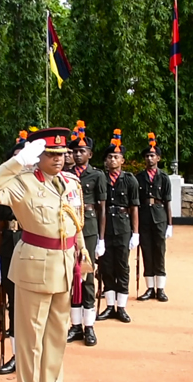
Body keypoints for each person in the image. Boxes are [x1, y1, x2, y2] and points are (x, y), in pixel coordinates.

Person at [0, 127, 88, 382]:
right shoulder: (22, 183)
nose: (59, 160)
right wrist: (16, 163)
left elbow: (75, 220)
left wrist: (82, 251)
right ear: (37, 156)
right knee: (30, 340)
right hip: (34, 266)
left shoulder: (70, 183)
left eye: (62, 154)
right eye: (51, 154)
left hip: (64, 265)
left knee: (56, 338)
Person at [67, 121, 106, 347]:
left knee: (87, 275)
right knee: (72, 276)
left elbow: (101, 208)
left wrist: (101, 238)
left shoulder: (97, 175)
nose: (77, 154)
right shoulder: (66, 174)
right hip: (69, 227)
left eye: (82, 151)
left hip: (89, 228)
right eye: (75, 151)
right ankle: (75, 325)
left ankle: (89, 325)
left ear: (90, 154)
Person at [0, 132, 27, 375]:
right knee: (13, 300)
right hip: (7, 241)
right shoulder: (2, 185)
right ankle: (16, 353)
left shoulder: (39, 184)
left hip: (30, 240)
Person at [96, 130, 139, 323]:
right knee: (106, 266)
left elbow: (134, 207)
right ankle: (110, 305)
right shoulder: (101, 178)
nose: (112, 160)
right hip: (105, 228)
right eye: (109, 157)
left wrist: (135, 233)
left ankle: (121, 306)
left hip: (122, 227)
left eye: (116, 157)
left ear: (122, 160)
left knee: (122, 266)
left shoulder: (130, 180)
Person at [137, 133, 172, 302]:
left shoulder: (163, 177)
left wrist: (170, 224)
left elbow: (167, 202)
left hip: (159, 216)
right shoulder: (139, 177)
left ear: (158, 158)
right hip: (144, 216)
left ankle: (160, 288)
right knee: (147, 251)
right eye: (147, 156)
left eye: (152, 156)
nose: (149, 158)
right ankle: (149, 287)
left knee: (159, 251)